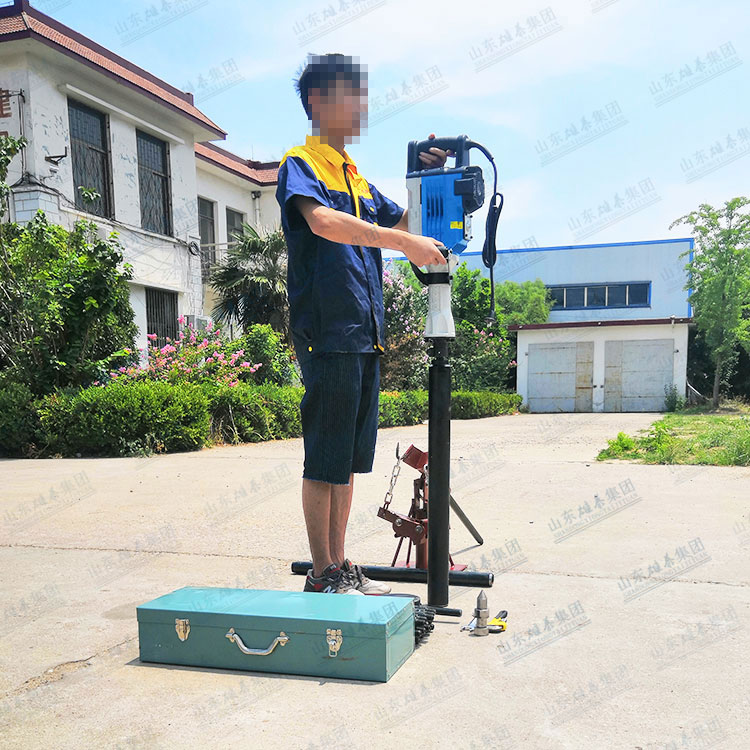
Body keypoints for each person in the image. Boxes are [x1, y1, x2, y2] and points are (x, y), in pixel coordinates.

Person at [276, 53, 450, 594]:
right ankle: (322, 571)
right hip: (329, 331)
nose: (358, 107)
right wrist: (404, 243)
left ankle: (340, 565)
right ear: (317, 101)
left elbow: (407, 222)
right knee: (325, 459)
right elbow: (324, 223)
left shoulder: (355, 178)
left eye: (360, 97)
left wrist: (424, 176)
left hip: (364, 334)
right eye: (347, 95)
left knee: (347, 462)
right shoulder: (301, 163)